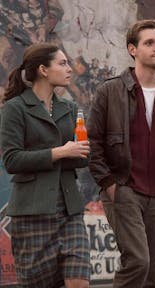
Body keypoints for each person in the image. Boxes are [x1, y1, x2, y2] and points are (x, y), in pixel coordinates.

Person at [87, 19, 155, 288]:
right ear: (132, 49)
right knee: (138, 261)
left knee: (150, 275)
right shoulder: (109, 91)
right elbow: (93, 143)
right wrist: (109, 185)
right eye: (149, 43)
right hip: (124, 188)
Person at [0, 43, 91, 288]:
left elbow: (81, 157)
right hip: (32, 211)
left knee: (78, 280)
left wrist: (83, 151)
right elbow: (12, 159)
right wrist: (59, 152)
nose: (69, 69)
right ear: (43, 69)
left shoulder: (70, 108)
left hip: (68, 210)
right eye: (62, 63)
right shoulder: (14, 108)